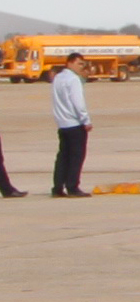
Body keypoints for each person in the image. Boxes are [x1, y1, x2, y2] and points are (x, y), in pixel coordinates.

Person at [49, 53, 90, 196]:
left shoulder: (58, 78)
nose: (81, 67)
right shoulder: (73, 79)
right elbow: (78, 103)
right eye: (79, 64)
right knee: (76, 157)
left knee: (63, 157)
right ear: (69, 63)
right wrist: (86, 120)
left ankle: (57, 187)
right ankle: (72, 186)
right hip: (74, 124)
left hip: (62, 123)